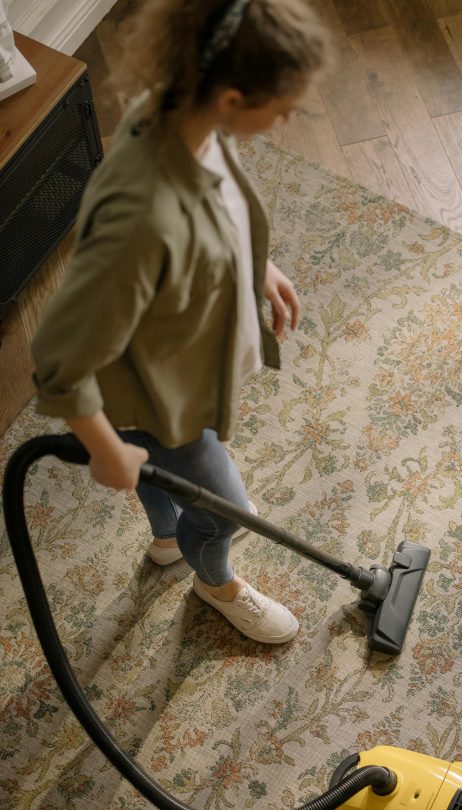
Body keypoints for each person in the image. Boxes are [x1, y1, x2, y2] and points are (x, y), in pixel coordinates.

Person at [30, 0, 334, 644]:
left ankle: (168, 537)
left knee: (164, 478)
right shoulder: (140, 216)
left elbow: (218, 205)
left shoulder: (189, 120)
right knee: (229, 512)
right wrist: (107, 448)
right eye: (281, 107)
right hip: (157, 399)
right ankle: (215, 582)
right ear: (229, 97)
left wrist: (257, 263)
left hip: (170, 361)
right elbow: (58, 353)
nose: (285, 120)